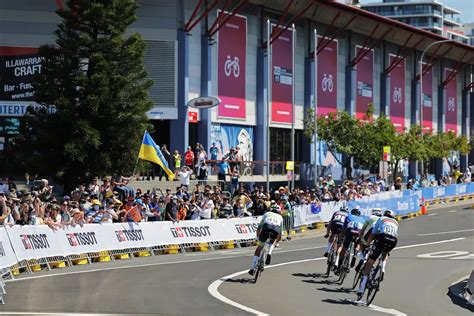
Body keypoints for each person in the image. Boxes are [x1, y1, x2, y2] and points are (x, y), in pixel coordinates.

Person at [357, 210, 398, 297]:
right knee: (385, 253)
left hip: (383, 238)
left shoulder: (381, 219)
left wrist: (367, 245)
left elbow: (373, 234)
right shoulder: (396, 222)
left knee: (370, 262)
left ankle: (362, 286)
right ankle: (383, 268)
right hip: (393, 241)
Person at [248, 203, 283, 276]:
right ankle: (269, 253)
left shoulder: (267, 214)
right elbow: (280, 234)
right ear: (279, 211)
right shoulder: (280, 217)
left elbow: (259, 228)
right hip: (275, 231)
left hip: (266, 229)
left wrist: (257, 238)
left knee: (259, 247)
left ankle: (252, 268)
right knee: (272, 243)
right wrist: (277, 242)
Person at [336, 208, 365, 273]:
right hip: (358, 232)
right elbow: (363, 232)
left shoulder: (348, 216)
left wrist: (340, 240)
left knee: (344, 249)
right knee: (357, 243)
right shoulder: (362, 219)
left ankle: (338, 267)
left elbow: (343, 229)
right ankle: (355, 255)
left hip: (350, 231)